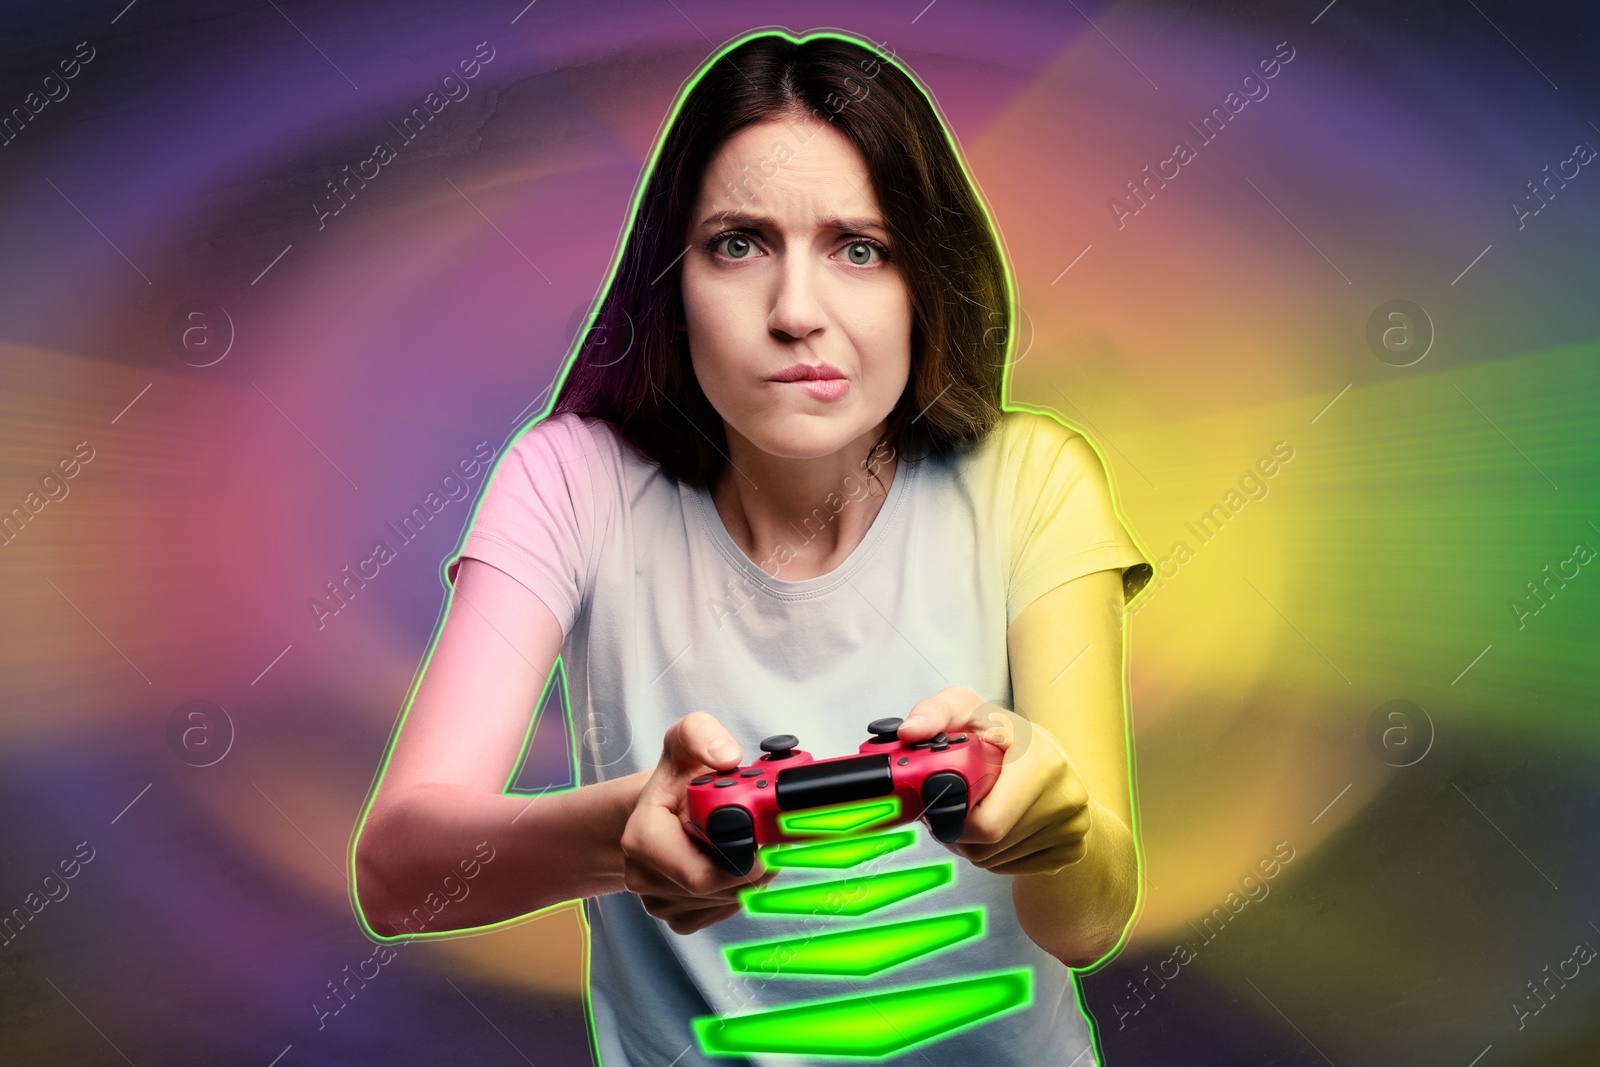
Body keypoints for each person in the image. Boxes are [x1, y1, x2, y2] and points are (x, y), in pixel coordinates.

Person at [353, 29, 1152, 1067]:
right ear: (672, 285)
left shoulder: (1032, 480)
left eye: (859, 249)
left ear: (924, 282)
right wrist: (618, 828)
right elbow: (398, 876)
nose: (795, 313)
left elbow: (1086, 922)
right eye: (739, 244)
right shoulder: (572, 480)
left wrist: (1056, 829)